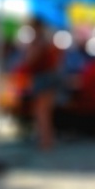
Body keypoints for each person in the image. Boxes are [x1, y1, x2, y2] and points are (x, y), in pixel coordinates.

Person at [18, 19, 62, 150]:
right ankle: (46, 140)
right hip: (47, 77)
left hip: (43, 78)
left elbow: (30, 60)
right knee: (45, 112)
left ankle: (45, 141)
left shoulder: (40, 42)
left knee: (42, 112)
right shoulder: (48, 41)